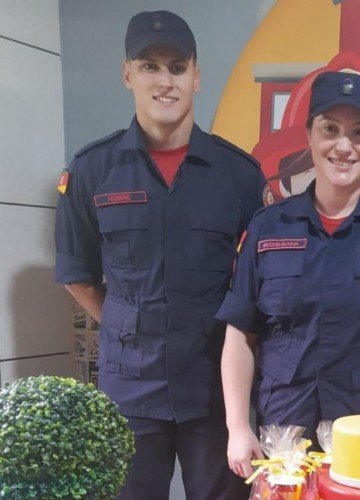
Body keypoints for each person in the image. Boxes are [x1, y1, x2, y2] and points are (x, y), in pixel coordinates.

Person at [54, 11, 264, 499]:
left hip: (213, 388)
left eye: (176, 67)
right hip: (129, 388)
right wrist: (128, 323)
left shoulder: (239, 175)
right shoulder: (91, 170)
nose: (164, 81)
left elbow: (257, 283)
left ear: (196, 74)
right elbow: (77, 274)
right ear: (128, 73)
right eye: (150, 66)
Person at [218, 70, 360, 478]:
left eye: (359, 132)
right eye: (330, 129)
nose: (344, 146)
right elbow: (240, 334)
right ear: (309, 135)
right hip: (286, 428)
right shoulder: (268, 227)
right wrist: (237, 427)